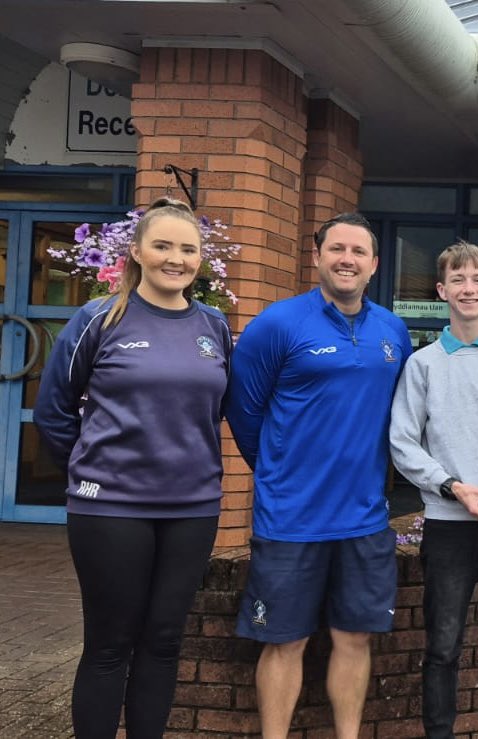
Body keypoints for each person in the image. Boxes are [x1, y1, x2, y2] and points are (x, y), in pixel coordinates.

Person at [34, 197, 233, 739]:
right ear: (137, 251)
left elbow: (215, 411)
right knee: (109, 644)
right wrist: (90, 472)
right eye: (163, 245)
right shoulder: (99, 317)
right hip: (111, 509)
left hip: (191, 509)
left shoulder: (214, 325)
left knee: (164, 640)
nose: (176, 258)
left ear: (201, 260)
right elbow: (53, 410)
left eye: (188, 249)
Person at [226, 212, 412, 739]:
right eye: (337, 249)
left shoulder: (392, 330)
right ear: (318, 256)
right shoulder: (277, 325)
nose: (347, 259)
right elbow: (243, 411)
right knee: (284, 641)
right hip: (290, 518)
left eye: (358, 252)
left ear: (374, 265)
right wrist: (280, 471)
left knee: (356, 638)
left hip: (365, 519)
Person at [388, 241, 478, 739]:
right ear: (441, 290)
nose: (468, 289)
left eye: (477, 280)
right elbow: (403, 443)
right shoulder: (422, 364)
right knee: (443, 648)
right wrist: (451, 487)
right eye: (458, 280)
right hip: (449, 527)